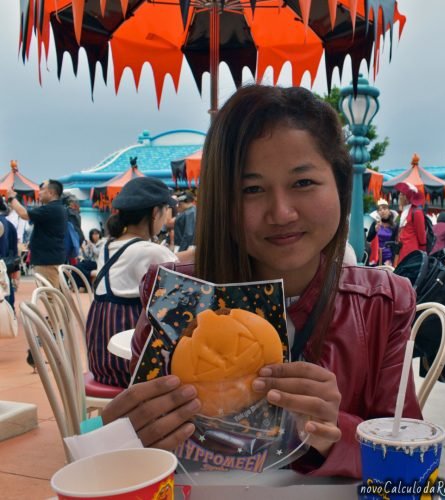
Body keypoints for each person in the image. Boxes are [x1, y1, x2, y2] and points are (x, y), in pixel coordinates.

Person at [100, 85, 422, 478]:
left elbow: (409, 468)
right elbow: (139, 460)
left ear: (339, 184)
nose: (282, 212)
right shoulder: (174, 299)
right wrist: (123, 440)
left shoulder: (383, 304)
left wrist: (336, 432)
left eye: (303, 182)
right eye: (251, 189)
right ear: (222, 201)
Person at [86, 177, 178, 388]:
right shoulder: (152, 250)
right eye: (166, 211)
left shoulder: (108, 246)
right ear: (155, 212)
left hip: (101, 363)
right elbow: (180, 287)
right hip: (133, 367)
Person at [6, 179, 67, 288]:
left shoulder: (51, 209)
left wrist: (11, 198)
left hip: (47, 262)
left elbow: (23, 214)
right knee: (51, 296)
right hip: (50, 259)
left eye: (42, 189)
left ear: (51, 192)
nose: (39, 192)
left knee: (50, 297)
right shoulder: (56, 208)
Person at [394, 181, 427, 264]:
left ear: (406, 197)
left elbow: (421, 234)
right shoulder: (405, 211)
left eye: (401, 194)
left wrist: (422, 252)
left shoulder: (416, 212)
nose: (399, 196)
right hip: (402, 249)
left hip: (411, 251)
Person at [366, 199, 398, 265]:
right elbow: (369, 239)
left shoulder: (394, 226)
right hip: (376, 255)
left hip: (389, 257)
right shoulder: (375, 224)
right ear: (378, 213)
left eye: (384, 209)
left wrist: (392, 259)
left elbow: (395, 243)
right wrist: (375, 230)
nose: (382, 211)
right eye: (380, 210)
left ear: (389, 211)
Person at [0, 199, 19, 308]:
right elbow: (14, 250)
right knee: (7, 290)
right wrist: (16, 269)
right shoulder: (9, 224)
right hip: (6, 265)